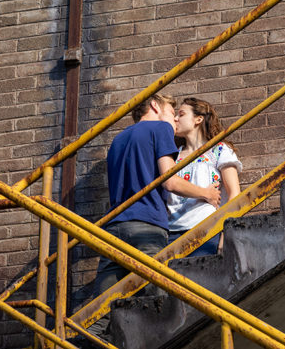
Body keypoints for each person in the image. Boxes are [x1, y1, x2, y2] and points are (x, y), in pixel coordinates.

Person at [87, 93, 221, 341]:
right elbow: (168, 180)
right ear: (154, 106)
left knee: (99, 312)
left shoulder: (118, 139)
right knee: (157, 303)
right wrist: (206, 193)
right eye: (172, 112)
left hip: (114, 228)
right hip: (146, 227)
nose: (173, 120)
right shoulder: (159, 128)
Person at [167, 97, 242, 255]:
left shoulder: (218, 150)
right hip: (171, 235)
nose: (175, 118)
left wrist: (226, 235)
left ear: (198, 119)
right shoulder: (173, 156)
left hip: (206, 231)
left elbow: (235, 195)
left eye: (181, 114)